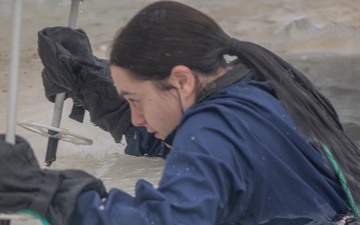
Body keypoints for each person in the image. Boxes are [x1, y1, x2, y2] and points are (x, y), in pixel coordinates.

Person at [1, 1, 360, 225]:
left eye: (134, 99)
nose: (137, 118)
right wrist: (96, 89)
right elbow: (209, 159)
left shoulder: (210, 131)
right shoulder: (256, 87)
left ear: (182, 80)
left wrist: (40, 191)